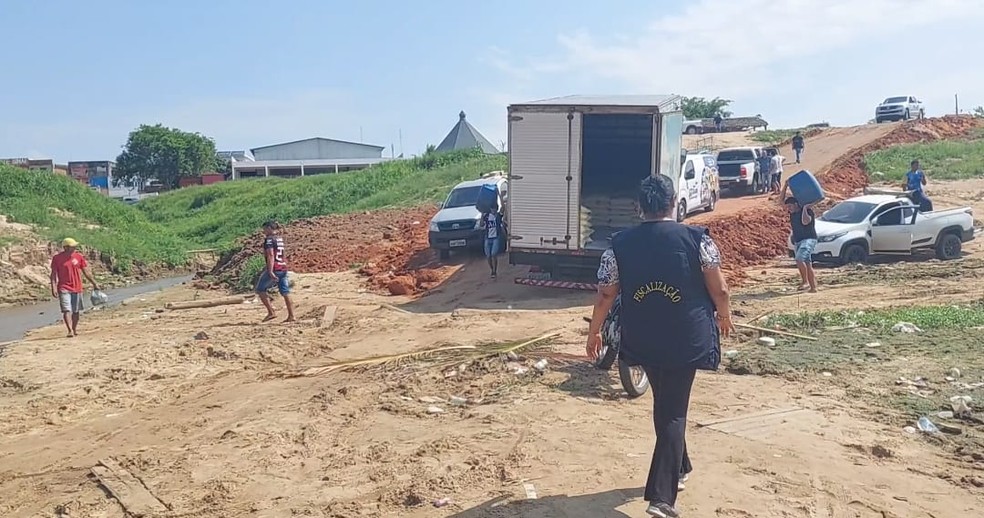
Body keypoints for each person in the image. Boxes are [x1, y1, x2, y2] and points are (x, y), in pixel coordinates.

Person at [586, 174, 735, 518]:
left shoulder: (618, 245)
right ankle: (662, 499)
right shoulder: (698, 239)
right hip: (687, 337)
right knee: (674, 411)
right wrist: (724, 317)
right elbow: (720, 289)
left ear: (640, 207)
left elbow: (606, 293)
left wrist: (594, 332)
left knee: (664, 404)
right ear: (673, 202)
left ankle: (679, 467)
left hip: (643, 337)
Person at [50, 237, 100, 337]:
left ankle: (74, 328)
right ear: (66, 247)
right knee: (66, 309)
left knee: (76, 311)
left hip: (77, 287)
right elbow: (53, 274)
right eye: (73, 246)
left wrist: (94, 283)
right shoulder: (57, 259)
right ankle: (69, 330)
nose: (75, 248)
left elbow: (86, 272)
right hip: (64, 287)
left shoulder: (78, 257)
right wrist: (54, 287)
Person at [255, 220, 295, 322]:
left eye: (264, 229)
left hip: (275, 268)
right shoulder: (279, 239)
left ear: (269, 228)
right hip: (283, 267)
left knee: (260, 289)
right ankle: (291, 315)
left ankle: (271, 312)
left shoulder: (269, 240)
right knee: (285, 292)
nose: (264, 231)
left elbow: (271, 255)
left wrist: (270, 270)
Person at [785, 197, 818, 292]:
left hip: (809, 239)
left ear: (796, 204)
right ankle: (813, 288)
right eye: (788, 207)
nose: (789, 209)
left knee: (799, 259)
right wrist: (786, 186)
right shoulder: (792, 213)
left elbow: (805, 221)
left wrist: (804, 208)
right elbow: (780, 202)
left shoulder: (808, 212)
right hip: (798, 241)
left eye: (790, 206)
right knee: (807, 264)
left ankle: (805, 282)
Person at [482, 200, 506, 279]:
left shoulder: (498, 216)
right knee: (488, 256)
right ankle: (492, 269)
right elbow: (481, 224)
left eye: (495, 209)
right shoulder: (487, 216)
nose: (493, 210)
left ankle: (494, 271)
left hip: (496, 237)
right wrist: (482, 215)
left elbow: (503, 207)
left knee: (493, 254)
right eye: (492, 209)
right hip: (488, 237)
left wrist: (499, 195)